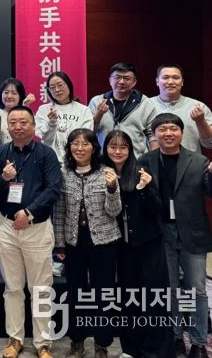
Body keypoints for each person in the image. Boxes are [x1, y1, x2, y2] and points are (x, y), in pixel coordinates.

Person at [138, 113, 212, 358]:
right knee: (169, 288)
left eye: (173, 129)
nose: (168, 133)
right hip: (161, 233)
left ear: (181, 132)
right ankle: (175, 336)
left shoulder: (198, 161)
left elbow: (210, 191)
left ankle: (199, 342)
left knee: (196, 290)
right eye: (162, 129)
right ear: (154, 135)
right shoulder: (145, 161)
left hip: (192, 232)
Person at [0, 105, 61, 358]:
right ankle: (15, 338)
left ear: (33, 125)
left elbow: (53, 188)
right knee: (13, 287)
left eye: (23, 122)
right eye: (13, 122)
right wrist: (3, 179)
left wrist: (29, 211)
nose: (18, 127)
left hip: (36, 227)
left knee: (40, 287)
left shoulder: (46, 153)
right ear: (7, 127)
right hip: (7, 227)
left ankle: (43, 343)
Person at [102, 130, 175, 358]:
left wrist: (144, 189)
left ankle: (156, 351)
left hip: (148, 244)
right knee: (128, 298)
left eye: (123, 147)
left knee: (153, 298)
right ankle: (131, 348)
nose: (117, 151)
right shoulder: (102, 173)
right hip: (122, 247)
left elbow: (158, 209)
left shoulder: (141, 171)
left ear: (130, 149)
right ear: (105, 149)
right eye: (113, 147)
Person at [54, 128, 121, 358]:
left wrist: (112, 189)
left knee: (103, 293)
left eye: (85, 144)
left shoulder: (107, 172)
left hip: (104, 242)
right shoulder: (64, 174)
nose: (80, 148)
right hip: (74, 242)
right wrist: (59, 243)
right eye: (75, 143)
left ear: (94, 148)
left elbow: (114, 211)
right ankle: (77, 341)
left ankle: (102, 343)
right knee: (76, 293)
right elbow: (59, 211)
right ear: (69, 147)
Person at [88, 62, 158, 158]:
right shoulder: (97, 101)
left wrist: (153, 160)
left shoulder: (146, 103)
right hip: (103, 160)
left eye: (127, 78)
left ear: (134, 82)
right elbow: (88, 133)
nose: (121, 82)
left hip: (136, 159)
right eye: (117, 77)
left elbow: (153, 135)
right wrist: (98, 116)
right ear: (110, 80)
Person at [151, 63, 212, 153]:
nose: (170, 82)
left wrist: (201, 121)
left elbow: (209, 143)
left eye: (175, 78)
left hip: (190, 161)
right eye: (165, 77)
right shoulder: (145, 106)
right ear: (157, 81)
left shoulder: (198, 107)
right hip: (152, 161)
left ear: (182, 81)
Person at [35, 71, 94, 164]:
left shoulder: (84, 110)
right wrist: (51, 123)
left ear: (68, 85)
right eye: (52, 87)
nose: (57, 90)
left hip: (76, 161)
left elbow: (86, 138)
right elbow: (44, 138)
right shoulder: (43, 110)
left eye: (60, 85)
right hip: (49, 161)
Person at [0, 78, 35, 145]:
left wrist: (25, 107)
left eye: (14, 93)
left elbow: (31, 136)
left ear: (20, 96)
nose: (9, 96)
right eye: (6, 92)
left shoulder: (29, 115)